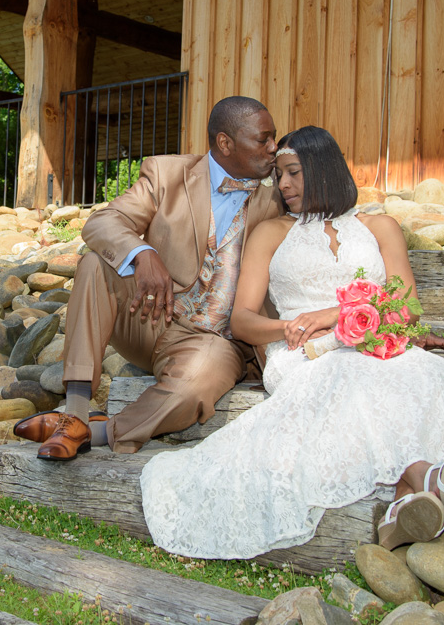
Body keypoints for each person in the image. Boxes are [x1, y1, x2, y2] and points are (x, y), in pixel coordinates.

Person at [139, 126, 444, 559]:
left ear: (323, 169)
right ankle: (425, 478)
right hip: (303, 355)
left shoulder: (381, 227)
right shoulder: (271, 233)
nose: (283, 185)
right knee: (349, 371)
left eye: (293, 173)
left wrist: (339, 317)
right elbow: (243, 320)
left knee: (420, 369)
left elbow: (406, 306)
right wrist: (287, 328)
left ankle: (404, 501)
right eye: (278, 176)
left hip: (371, 343)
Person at [15, 96, 284, 459]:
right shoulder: (167, 174)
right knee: (96, 265)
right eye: (264, 139)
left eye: (274, 139)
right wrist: (142, 254)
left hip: (215, 340)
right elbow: (103, 222)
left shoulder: (280, 198)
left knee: (193, 387)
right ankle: (76, 407)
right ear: (225, 142)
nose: (273, 148)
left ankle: (90, 432)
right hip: (152, 316)